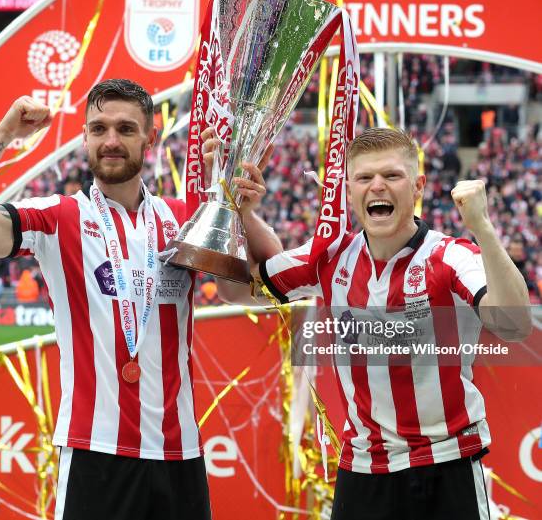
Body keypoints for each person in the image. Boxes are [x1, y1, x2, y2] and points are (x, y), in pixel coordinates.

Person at [0, 79, 281, 520]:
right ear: (84, 137)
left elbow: (249, 289)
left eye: (126, 128)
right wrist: (3, 136)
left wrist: (242, 209)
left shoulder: (183, 220)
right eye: (98, 129)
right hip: (95, 450)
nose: (111, 141)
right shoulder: (58, 217)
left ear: (151, 138)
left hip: (180, 453)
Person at [224, 127, 531, 520]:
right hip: (364, 470)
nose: (378, 187)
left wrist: (482, 227)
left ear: (417, 185)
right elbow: (236, 292)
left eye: (392, 175)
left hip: (445, 463)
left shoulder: (451, 256)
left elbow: (513, 325)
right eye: (365, 178)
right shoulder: (329, 259)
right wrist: (240, 211)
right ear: (349, 190)